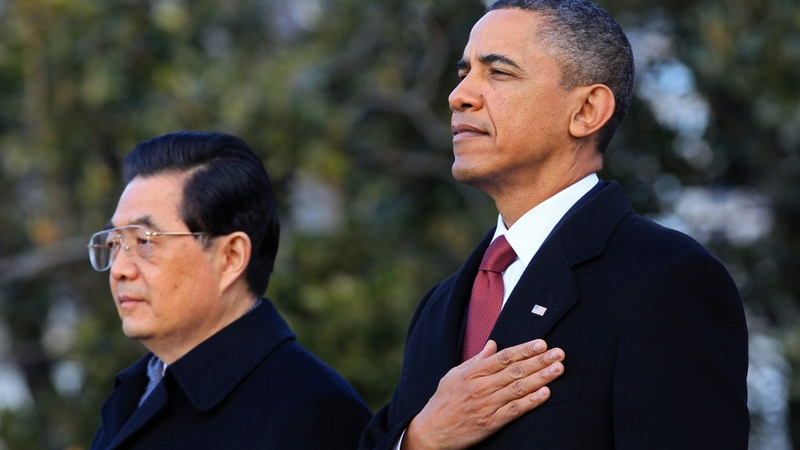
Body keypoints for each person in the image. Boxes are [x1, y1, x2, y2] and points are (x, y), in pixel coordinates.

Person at [359, 0, 749, 449]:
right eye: (463, 71)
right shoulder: (439, 306)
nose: (460, 95)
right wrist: (421, 439)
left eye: (499, 72)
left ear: (586, 110)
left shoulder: (665, 280)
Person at [88, 131, 372, 449]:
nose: (119, 269)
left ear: (230, 257)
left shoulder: (311, 409)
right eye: (114, 243)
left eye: (143, 241)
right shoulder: (135, 395)